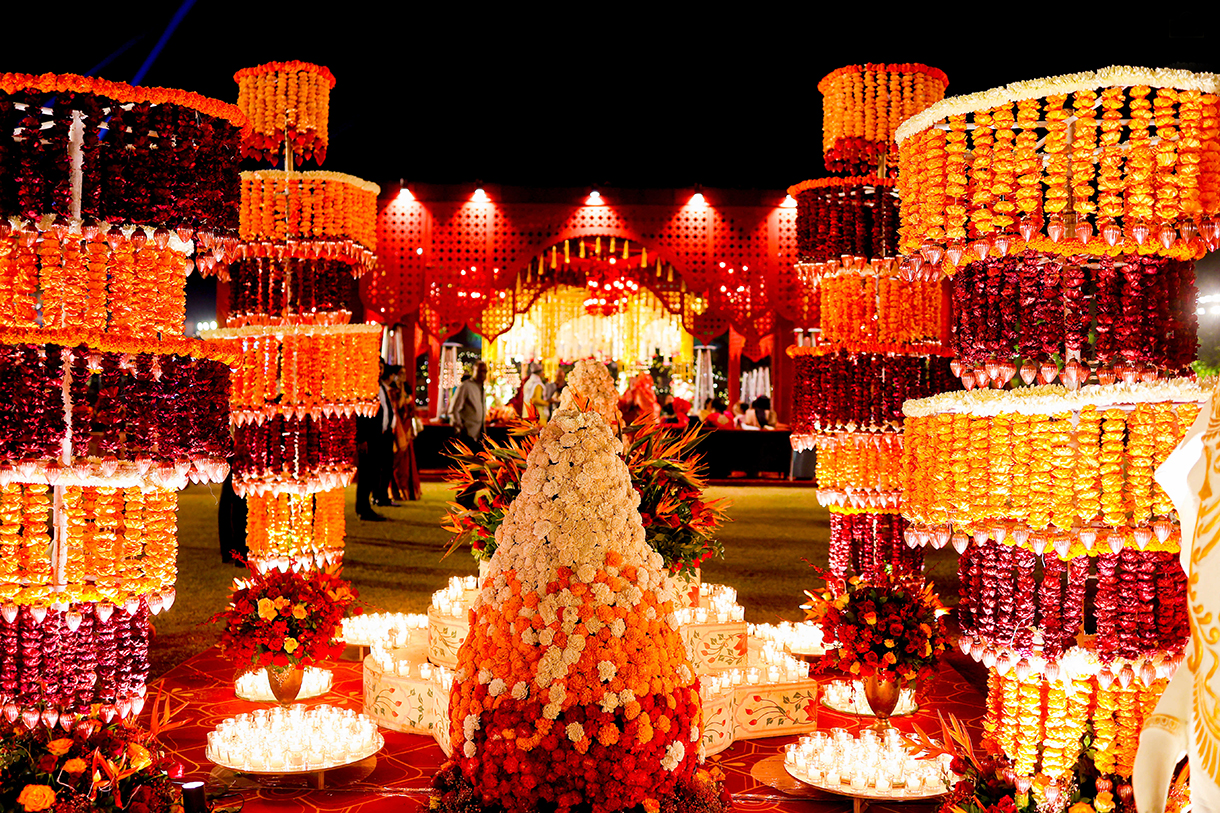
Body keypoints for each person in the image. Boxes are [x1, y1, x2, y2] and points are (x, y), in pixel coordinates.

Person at [356, 365, 397, 521]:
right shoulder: (366, 387)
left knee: (374, 471)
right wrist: (362, 439)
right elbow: (361, 414)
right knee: (366, 473)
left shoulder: (380, 387)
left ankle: (370, 503)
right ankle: (363, 508)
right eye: (377, 367)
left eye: (381, 368)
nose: (379, 370)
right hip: (369, 436)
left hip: (381, 434)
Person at [390, 369, 422, 502]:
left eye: (404, 373)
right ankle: (398, 491)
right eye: (400, 373)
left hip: (407, 430)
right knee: (398, 463)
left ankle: (409, 491)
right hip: (398, 430)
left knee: (408, 463)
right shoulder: (393, 392)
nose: (403, 376)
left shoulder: (406, 392)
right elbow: (398, 407)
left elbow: (412, 410)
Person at [449, 360, 488, 449]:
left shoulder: (481, 388)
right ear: (473, 371)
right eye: (480, 371)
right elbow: (454, 410)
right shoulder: (465, 386)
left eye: (484, 371)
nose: (482, 374)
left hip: (478, 435)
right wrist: (461, 428)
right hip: (467, 435)